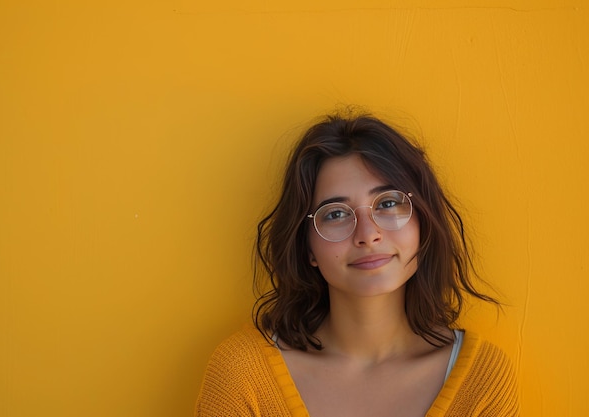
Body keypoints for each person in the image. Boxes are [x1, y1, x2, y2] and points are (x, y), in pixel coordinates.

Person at [195, 111, 519, 416]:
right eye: (335, 214)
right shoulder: (242, 375)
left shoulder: (482, 379)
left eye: (388, 203)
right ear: (308, 247)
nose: (368, 235)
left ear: (422, 223)